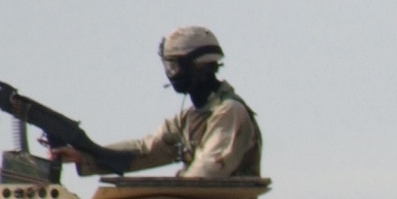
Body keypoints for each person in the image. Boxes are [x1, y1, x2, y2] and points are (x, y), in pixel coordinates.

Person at [62, 26, 262, 178]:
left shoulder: (230, 111)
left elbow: (208, 170)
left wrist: (167, 193)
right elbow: (146, 150)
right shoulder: (189, 117)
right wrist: (84, 155)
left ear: (198, 67)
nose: (171, 74)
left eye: (175, 66)